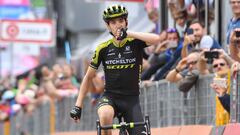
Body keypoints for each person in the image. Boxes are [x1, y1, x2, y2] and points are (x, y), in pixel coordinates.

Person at [69, 5, 159, 135]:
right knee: (105, 115)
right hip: (110, 97)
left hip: (131, 99)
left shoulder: (135, 42)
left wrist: (129, 33)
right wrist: (78, 106)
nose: (118, 25)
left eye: (121, 21)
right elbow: (88, 77)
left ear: (126, 22)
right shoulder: (103, 48)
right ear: (108, 26)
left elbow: (157, 39)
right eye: (113, 22)